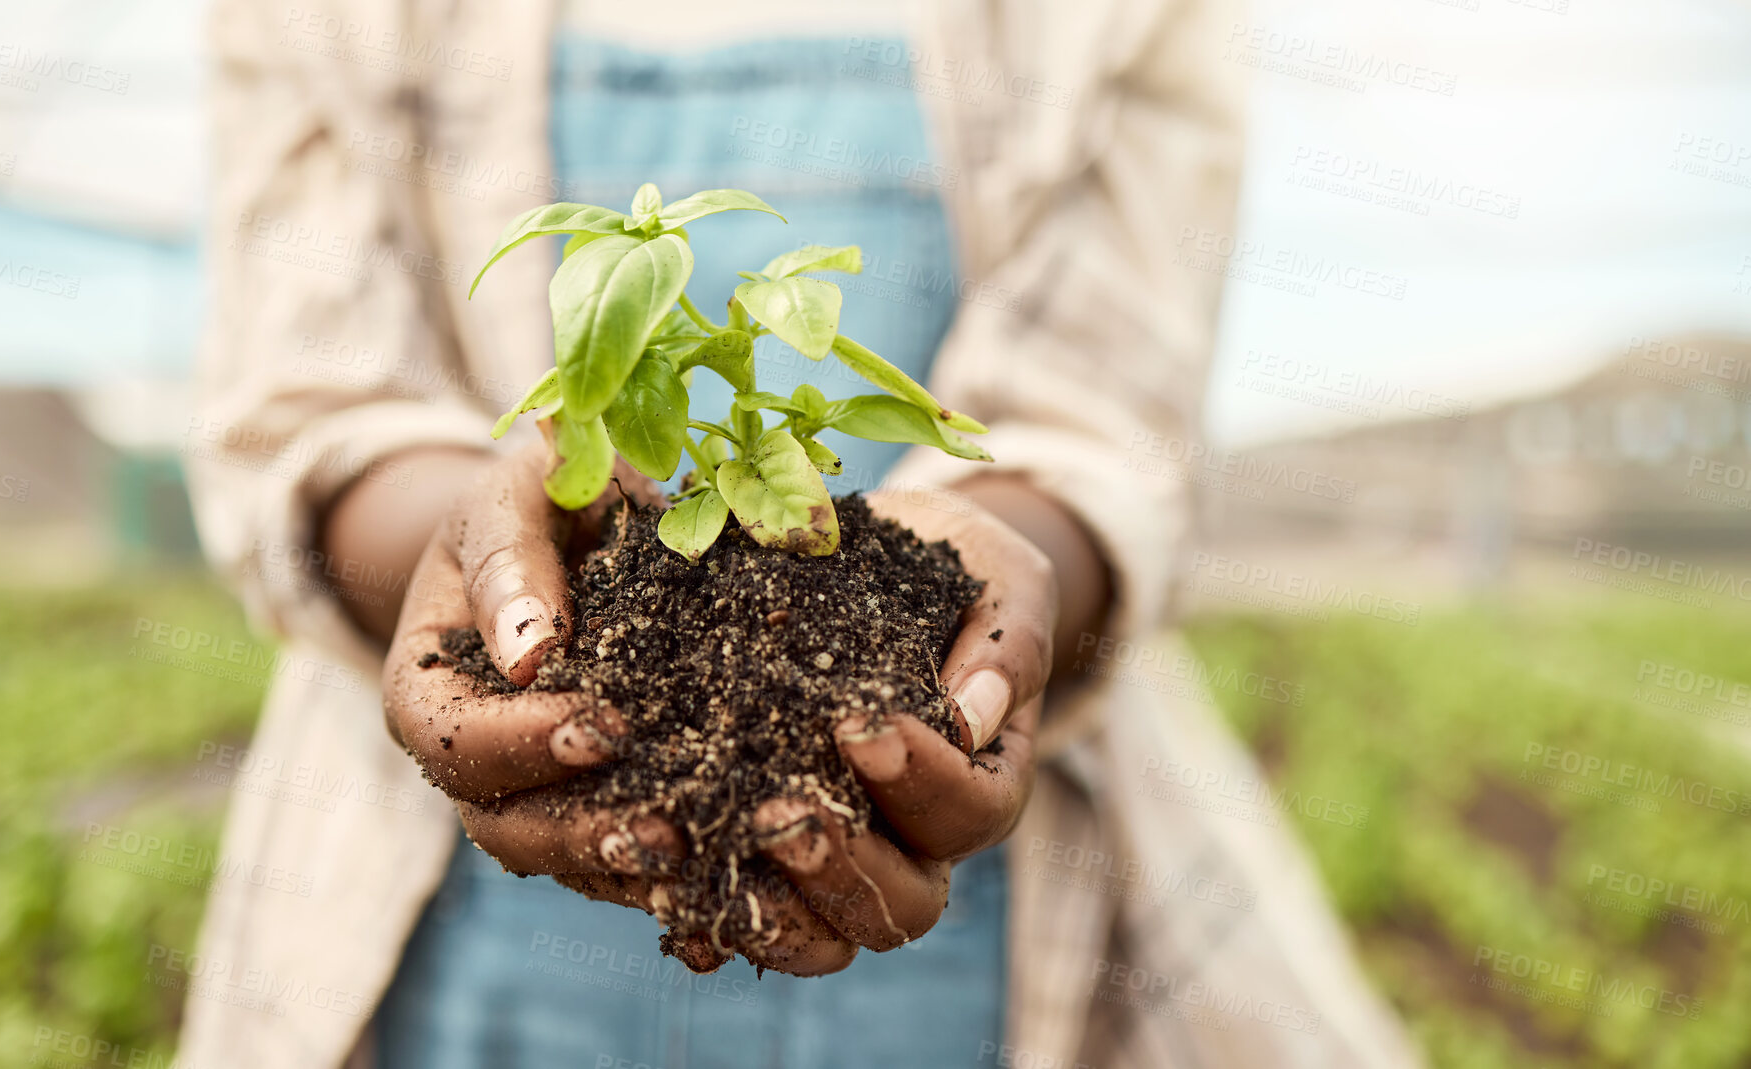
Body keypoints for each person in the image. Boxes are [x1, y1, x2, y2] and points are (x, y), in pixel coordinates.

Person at [184, 0, 1421, 1066]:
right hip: (448, 916)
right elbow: (305, 396)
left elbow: (1110, 416)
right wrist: (473, 552)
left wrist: (981, 593)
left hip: (981, 931)